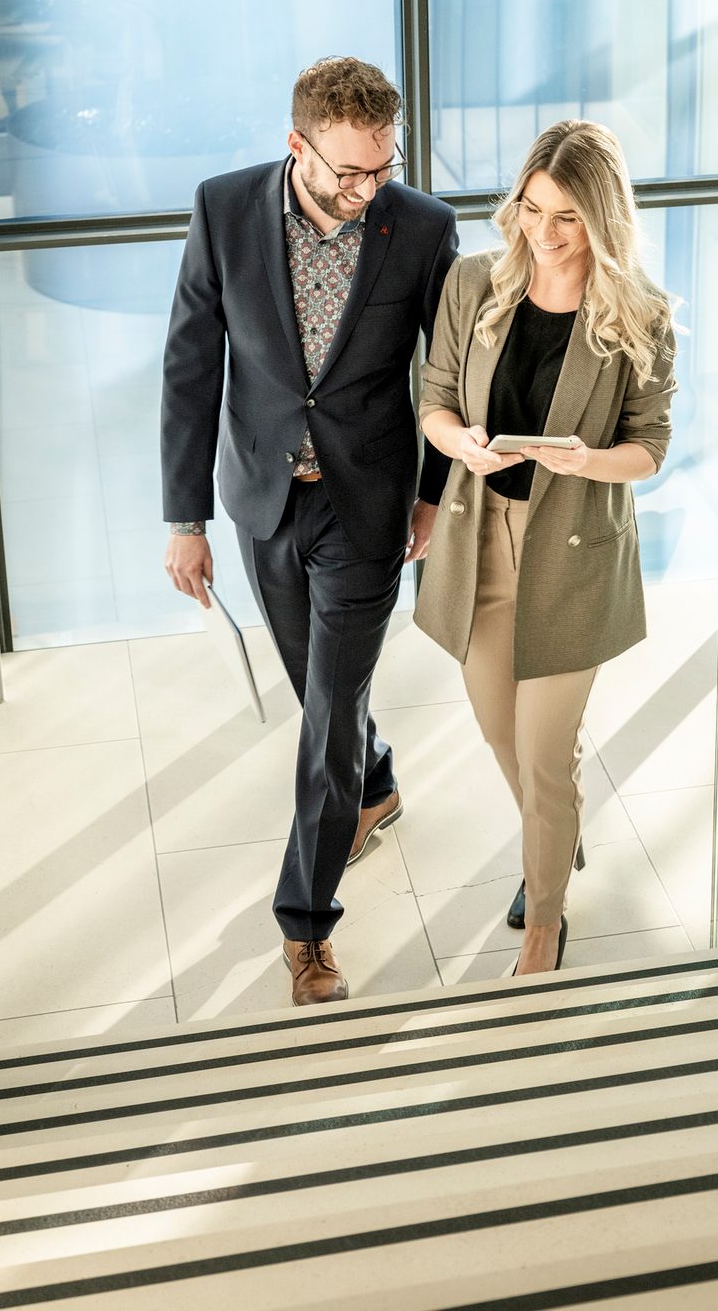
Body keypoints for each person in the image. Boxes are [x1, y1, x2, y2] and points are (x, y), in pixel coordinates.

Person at [161, 58, 458, 1006]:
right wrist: (185, 518)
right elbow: (190, 366)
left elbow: (443, 372)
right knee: (318, 692)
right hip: (262, 499)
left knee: (327, 717)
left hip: (366, 506)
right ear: (298, 146)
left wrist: (433, 495)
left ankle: (307, 925)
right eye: (347, 173)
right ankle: (376, 781)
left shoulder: (420, 227)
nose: (367, 190)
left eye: (382, 167)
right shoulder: (222, 210)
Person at [415, 120, 676, 976]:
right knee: (500, 730)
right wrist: (462, 445)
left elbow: (650, 446)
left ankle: (543, 921)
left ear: (602, 219)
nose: (545, 232)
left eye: (567, 217)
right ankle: (554, 835)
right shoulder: (472, 283)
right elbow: (435, 401)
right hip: (479, 538)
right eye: (533, 209)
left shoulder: (639, 313)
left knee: (541, 751)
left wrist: (587, 461)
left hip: (572, 552)